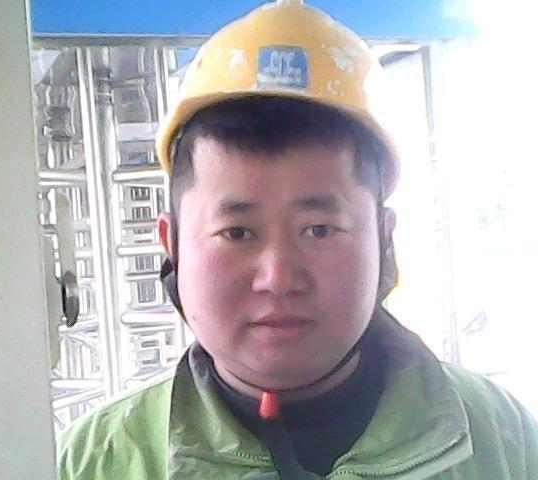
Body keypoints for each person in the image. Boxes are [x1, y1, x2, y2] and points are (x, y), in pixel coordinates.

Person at [57, 1, 538, 478]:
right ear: (173, 244)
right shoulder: (90, 462)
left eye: (319, 229)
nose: (278, 278)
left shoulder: (500, 440)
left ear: (383, 238)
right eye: (237, 232)